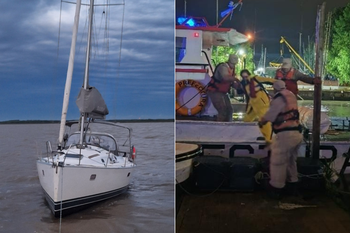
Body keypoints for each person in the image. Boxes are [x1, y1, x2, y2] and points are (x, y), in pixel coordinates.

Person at [258, 80, 303, 199]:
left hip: (286, 135)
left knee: (278, 162)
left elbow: (271, 115)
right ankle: (293, 186)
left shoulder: (279, 98)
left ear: (275, 89)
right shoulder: (291, 95)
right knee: (291, 162)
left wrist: (262, 120)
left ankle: (276, 190)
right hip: (297, 133)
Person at [239, 69, 275, 146]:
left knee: (264, 121)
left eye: (246, 76)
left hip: (262, 103)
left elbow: (267, 80)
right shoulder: (244, 84)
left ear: (249, 74)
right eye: (243, 77)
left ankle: (268, 139)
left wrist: (277, 82)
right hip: (252, 105)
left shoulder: (255, 78)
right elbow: (247, 96)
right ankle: (246, 136)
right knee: (246, 120)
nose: (245, 78)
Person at [207, 54, 240, 122]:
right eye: (232, 63)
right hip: (215, 91)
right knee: (222, 110)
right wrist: (236, 79)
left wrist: (237, 86)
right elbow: (225, 77)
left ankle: (228, 126)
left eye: (234, 64)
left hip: (223, 92)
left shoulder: (232, 69)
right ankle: (220, 127)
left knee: (229, 110)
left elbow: (230, 82)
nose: (233, 65)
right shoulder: (223, 67)